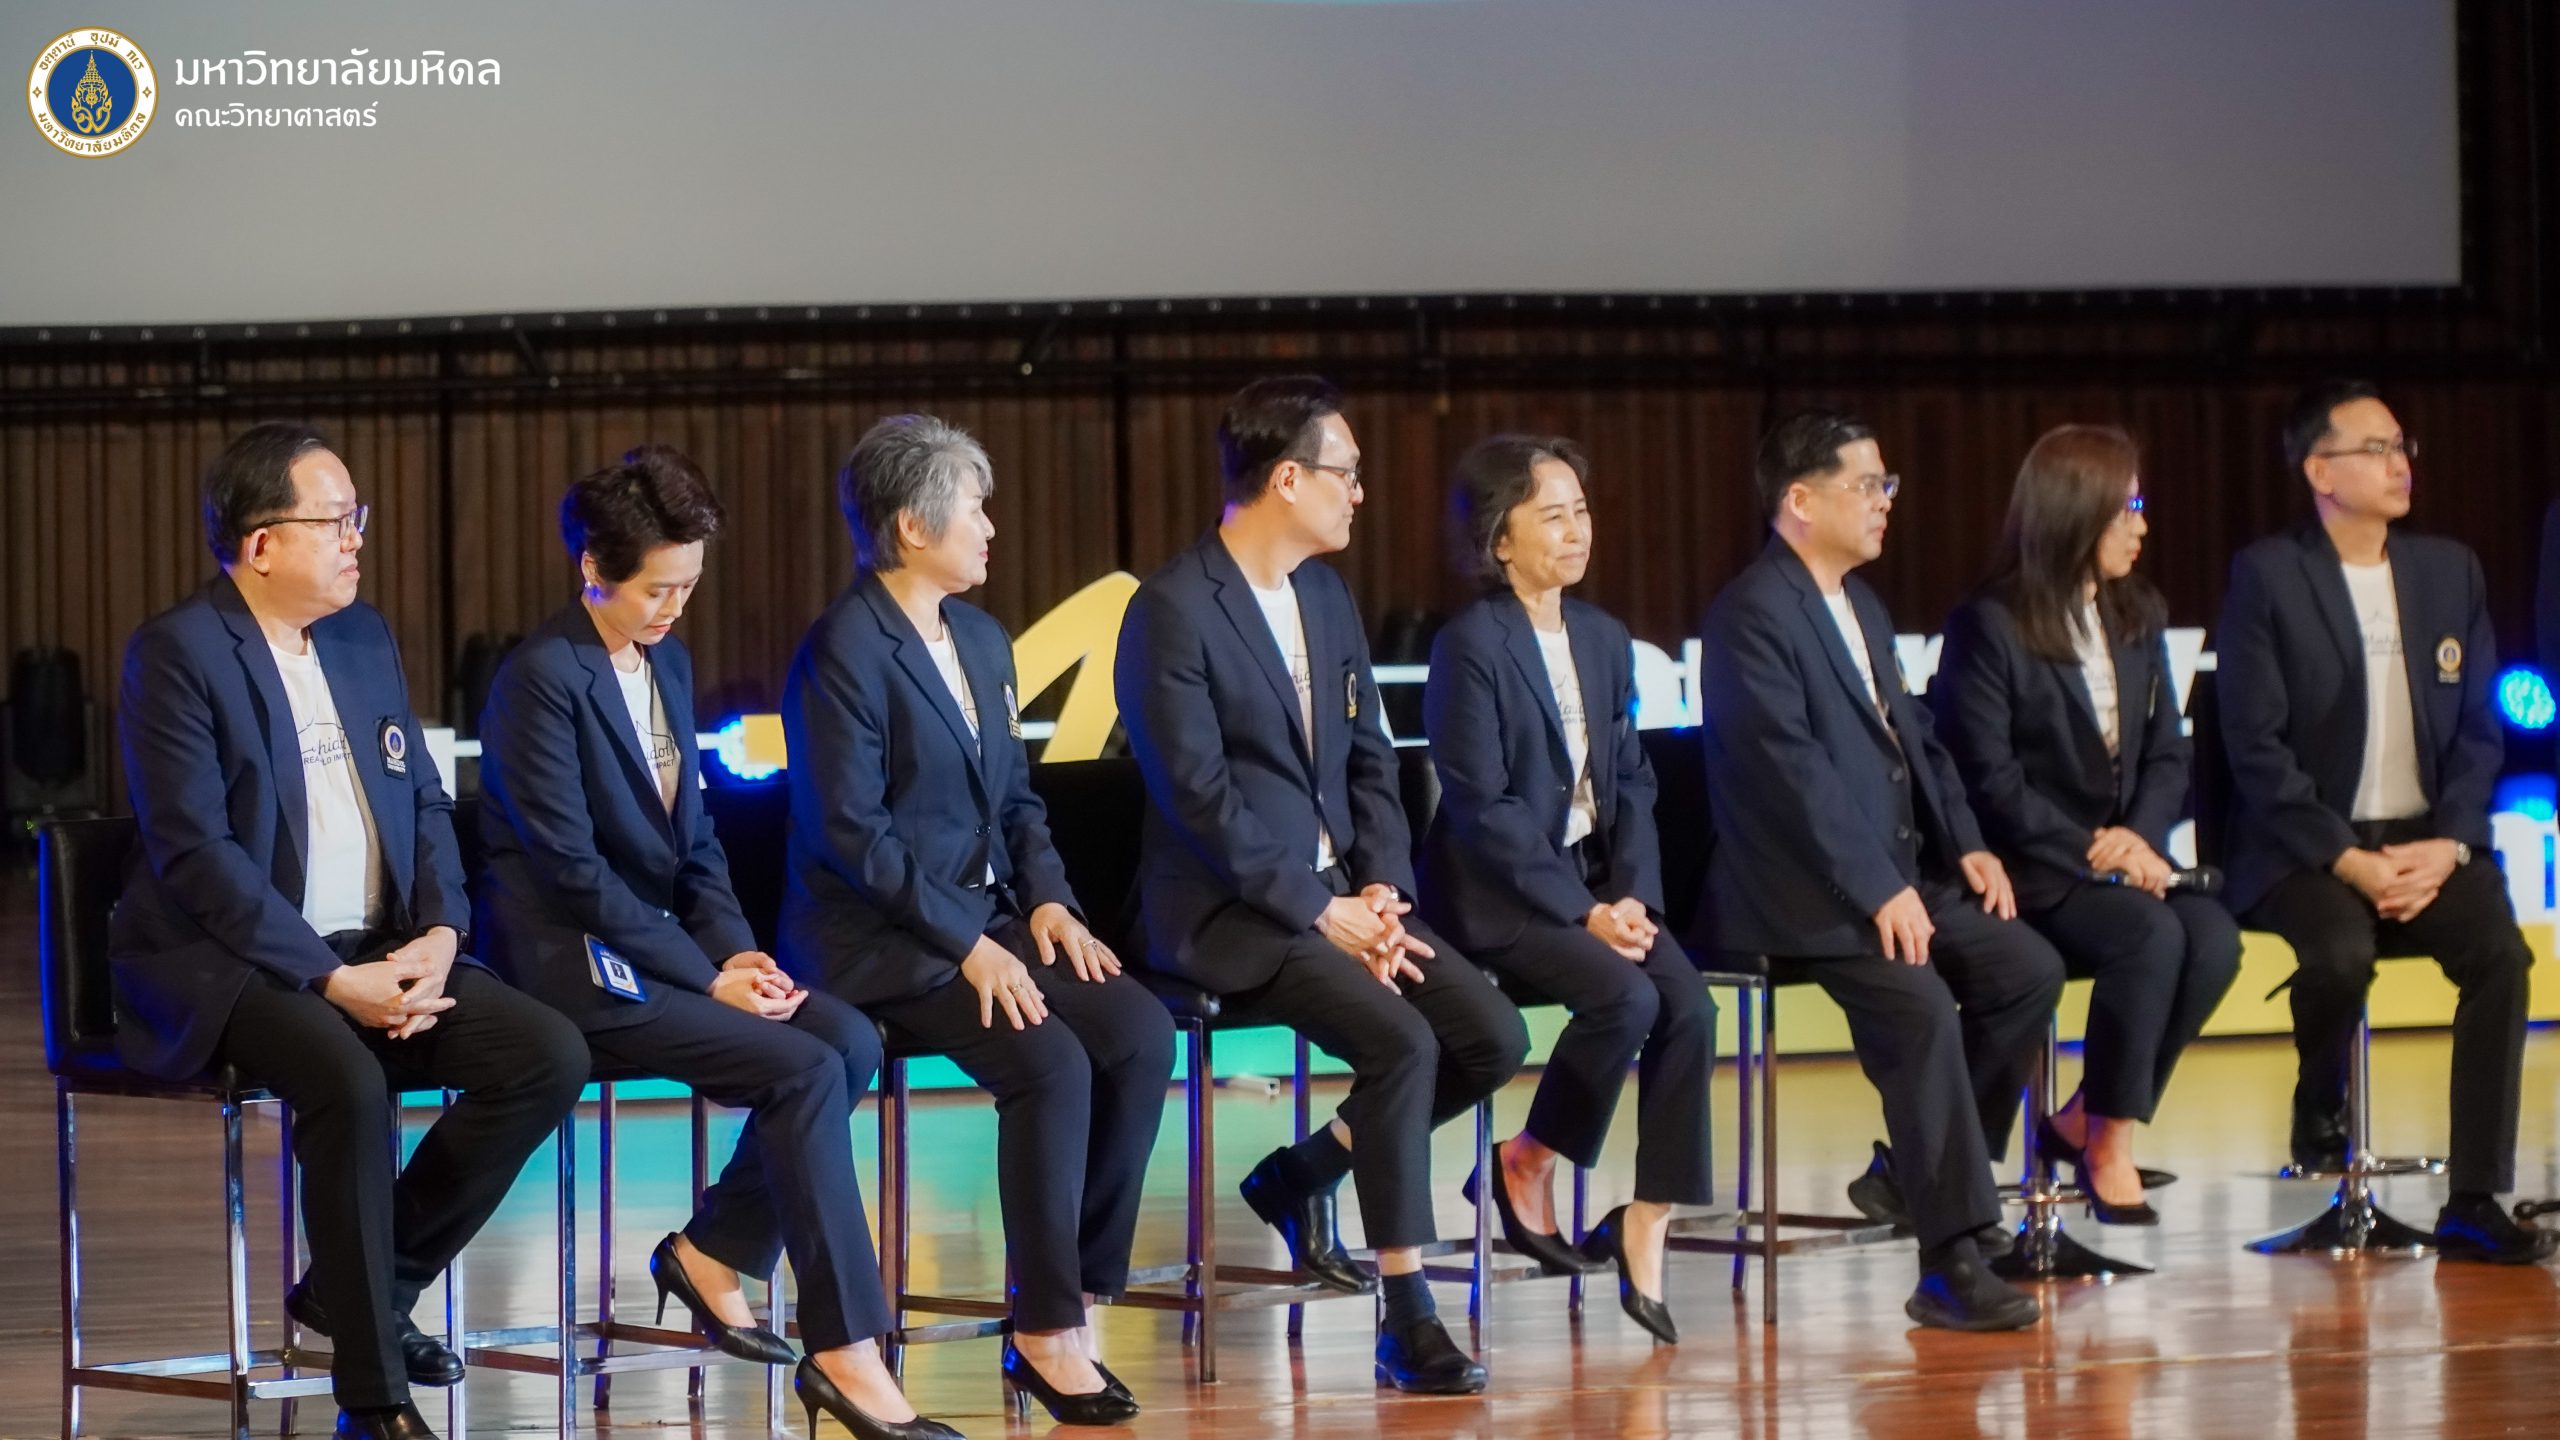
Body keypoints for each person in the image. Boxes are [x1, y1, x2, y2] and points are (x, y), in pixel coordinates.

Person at [109, 423, 588, 1440]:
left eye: (355, 518)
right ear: (260, 542)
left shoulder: (363, 638)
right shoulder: (178, 653)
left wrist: (442, 932)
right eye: (335, 521)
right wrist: (331, 982)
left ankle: (361, 1285)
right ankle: (373, 1398)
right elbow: (198, 857)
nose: (356, 539)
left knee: (545, 1054)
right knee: (350, 1079)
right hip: (233, 963)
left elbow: (424, 802)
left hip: (376, 945)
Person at [474, 447, 953, 1440]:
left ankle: (710, 1250)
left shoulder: (668, 662)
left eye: (688, 586)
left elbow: (693, 843)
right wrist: (703, 978)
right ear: (592, 569)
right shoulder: (539, 679)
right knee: (800, 1067)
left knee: (848, 1039)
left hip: (662, 954)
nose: (674, 608)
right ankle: (847, 1352)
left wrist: (735, 953)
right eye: (657, 589)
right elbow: (574, 874)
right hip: (576, 965)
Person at [1114, 376, 1529, 1392]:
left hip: (1340, 897)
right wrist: (1318, 907)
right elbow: (1199, 799)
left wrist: (1380, 889)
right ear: (1287, 478)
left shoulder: (1326, 597)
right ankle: (1406, 1315)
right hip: (1227, 910)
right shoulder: (1173, 609)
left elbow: (1371, 760)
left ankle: (1307, 1172)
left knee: (1490, 1035)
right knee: (1402, 1042)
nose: (1359, 493)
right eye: (1345, 472)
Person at [782, 415, 1173, 1425]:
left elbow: (1018, 803)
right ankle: (1043, 1330)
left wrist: (1048, 902)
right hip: (880, 939)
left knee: (1138, 1031)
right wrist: (967, 945)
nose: (992, 529)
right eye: (975, 510)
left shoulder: (984, 640)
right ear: (914, 527)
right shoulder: (843, 650)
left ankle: (1078, 1294)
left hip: (985, 921)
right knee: (1049, 1063)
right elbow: (854, 836)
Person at [1697, 409, 2064, 1331]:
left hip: (1894, 874)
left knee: (2027, 969)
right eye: (1867, 485)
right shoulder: (1752, 613)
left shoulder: (1860, 604)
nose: (1884, 501)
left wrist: (1968, 841)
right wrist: (1878, 889)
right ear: (1800, 500)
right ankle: (1952, 1260)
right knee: (1920, 1005)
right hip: (1800, 893)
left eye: (1885, 484)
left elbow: (1919, 740)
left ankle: (1915, 1177)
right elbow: (1791, 778)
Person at [2214, 380, 2549, 1263]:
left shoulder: (2449, 570)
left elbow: (2478, 731)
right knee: (2339, 954)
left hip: (2425, 841)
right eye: (2377, 449)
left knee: (2501, 957)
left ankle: (2473, 1198)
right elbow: (2255, 746)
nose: (2400, 464)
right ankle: (2318, 1098)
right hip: (2306, 848)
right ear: (2320, 470)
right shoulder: (2270, 575)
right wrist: (2344, 856)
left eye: (2403, 447)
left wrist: (2450, 843)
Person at [1418, 433, 1712, 1342]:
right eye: (1553, 515)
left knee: (1689, 1005)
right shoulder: (1469, 646)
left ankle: (1647, 1218)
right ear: (1499, 538)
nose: (1577, 530)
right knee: (1625, 998)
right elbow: (1485, 808)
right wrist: (1585, 913)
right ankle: (1528, 1160)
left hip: (1596, 887)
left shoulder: (1604, 638)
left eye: (1581, 511)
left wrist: (1633, 900)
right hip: (1497, 894)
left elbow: (1632, 783)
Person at [1931, 424, 2241, 1224]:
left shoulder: (2138, 611)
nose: (2142, 526)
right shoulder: (1990, 623)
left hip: (2123, 863)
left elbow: (2169, 749)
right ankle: (2110, 1143)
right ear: (2075, 512)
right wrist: (2091, 851)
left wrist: (2138, 839)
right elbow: (1988, 778)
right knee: (2151, 935)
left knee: (2214, 939)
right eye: (2125, 509)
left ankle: (2080, 1117)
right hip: (2033, 870)